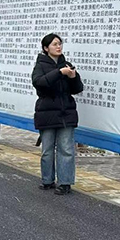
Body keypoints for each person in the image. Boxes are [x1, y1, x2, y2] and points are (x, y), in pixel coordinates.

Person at [31, 33, 83, 195]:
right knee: (47, 150)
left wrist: (73, 77)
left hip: (66, 112)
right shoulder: (40, 65)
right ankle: (47, 180)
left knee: (66, 149)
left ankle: (65, 182)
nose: (58, 47)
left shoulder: (67, 64)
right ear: (46, 48)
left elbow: (77, 89)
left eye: (60, 44)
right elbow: (39, 83)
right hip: (46, 113)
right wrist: (59, 73)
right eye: (54, 44)